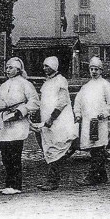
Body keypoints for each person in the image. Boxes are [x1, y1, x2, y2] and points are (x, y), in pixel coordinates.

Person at [0, 57, 39, 195]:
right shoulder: (4, 85)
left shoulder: (25, 84)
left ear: (18, 69)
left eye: (11, 67)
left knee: (14, 155)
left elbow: (34, 102)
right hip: (4, 124)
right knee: (5, 156)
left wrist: (21, 111)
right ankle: (8, 184)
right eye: (7, 67)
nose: (7, 70)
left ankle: (16, 185)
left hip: (17, 124)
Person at [74, 56, 110, 185]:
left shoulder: (106, 85)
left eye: (96, 69)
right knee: (94, 149)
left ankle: (93, 176)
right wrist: (77, 114)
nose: (94, 72)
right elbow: (78, 101)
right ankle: (102, 175)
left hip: (100, 122)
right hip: (88, 122)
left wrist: (104, 113)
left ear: (101, 70)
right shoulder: (86, 86)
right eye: (92, 69)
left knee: (98, 147)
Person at [35, 56, 76, 191]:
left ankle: (53, 181)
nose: (44, 68)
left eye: (47, 66)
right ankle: (51, 178)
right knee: (49, 148)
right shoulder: (47, 82)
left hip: (59, 121)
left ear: (53, 66)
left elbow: (63, 101)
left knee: (56, 148)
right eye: (44, 66)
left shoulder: (61, 80)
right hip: (47, 122)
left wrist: (52, 118)